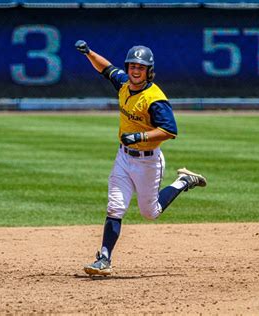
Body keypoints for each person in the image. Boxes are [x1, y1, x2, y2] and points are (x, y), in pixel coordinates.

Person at [75, 40, 207, 276]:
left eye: (141, 67)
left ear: (149, 70)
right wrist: (89, 53)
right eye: (132, 66)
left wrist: (139, 136)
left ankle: (184, 181)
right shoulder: (124, 84)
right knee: (115, 207)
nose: (135, 71)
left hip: (148, 161)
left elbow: (170, 130)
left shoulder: (155, 99)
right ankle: (104, 258)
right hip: (123, 159)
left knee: (150, 212)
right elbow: (106, 68)